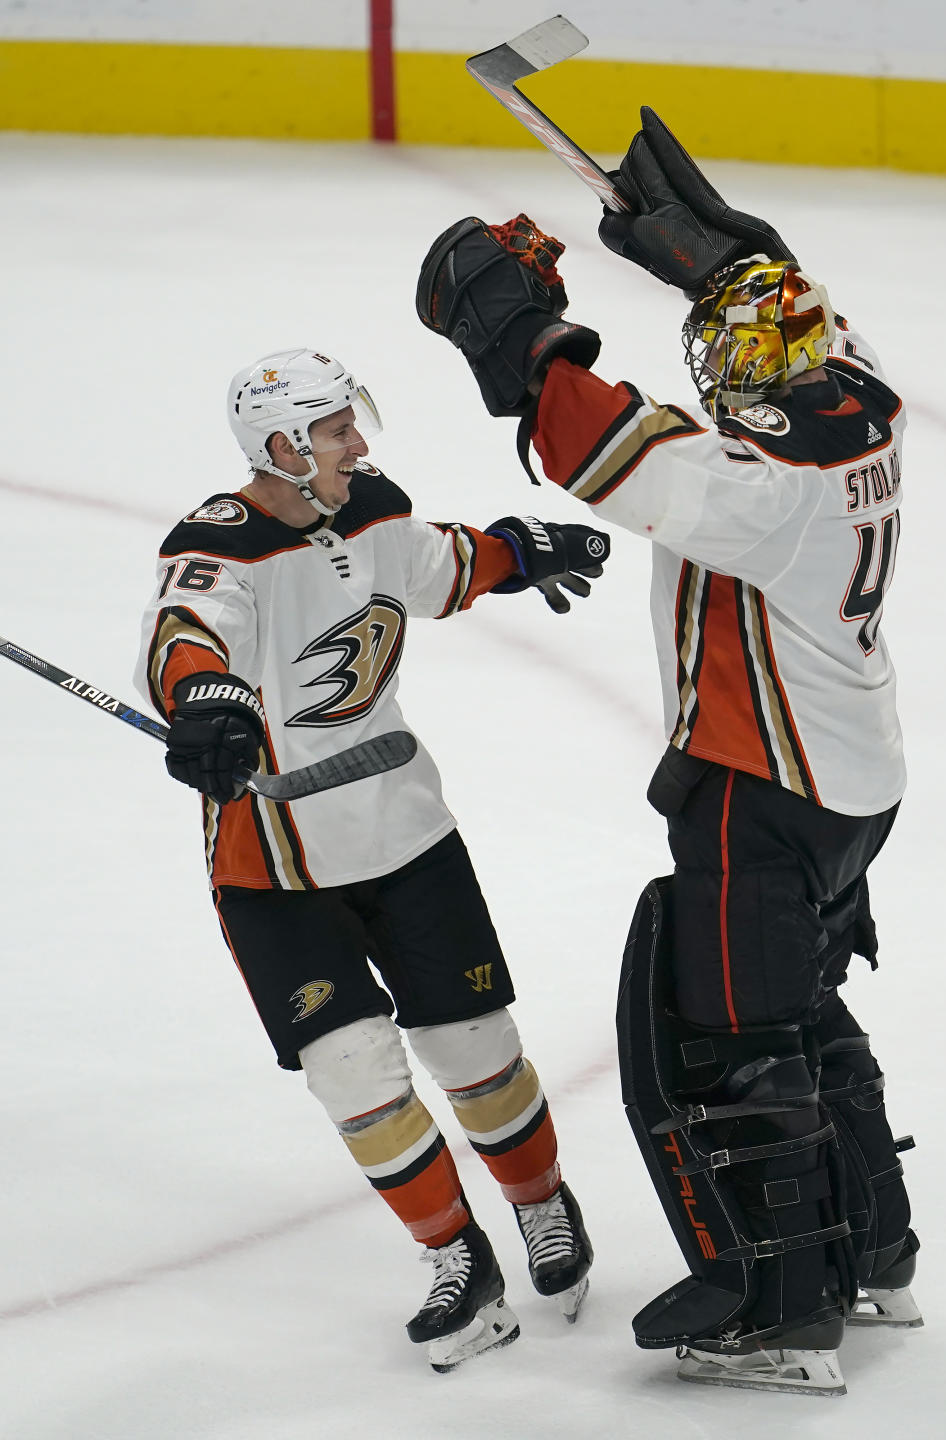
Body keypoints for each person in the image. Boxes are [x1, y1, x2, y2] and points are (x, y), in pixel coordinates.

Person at [415, 109, 920, 1397]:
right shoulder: (859, 397)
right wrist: (717, 256)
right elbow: (791, 307)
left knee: (727, 1036)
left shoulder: (760, 492)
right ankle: (876, 1253)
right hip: (854, 779)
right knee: (804, 1010)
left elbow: (599, 443)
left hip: (765, 785)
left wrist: (525, 339)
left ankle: (781, 1307)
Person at [134, 347, 607, 1372]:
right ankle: (457, 1258)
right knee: (354, 1075)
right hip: (273, 866)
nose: (359, 442)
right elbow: (184, 631)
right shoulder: (218, 546)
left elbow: (445, 564)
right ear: (283, 446)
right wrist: (203, 698)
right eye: (339, 428)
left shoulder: (377, 511)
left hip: (404, 832)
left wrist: (527, 552)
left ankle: (540, 1205)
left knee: (476, 1051)